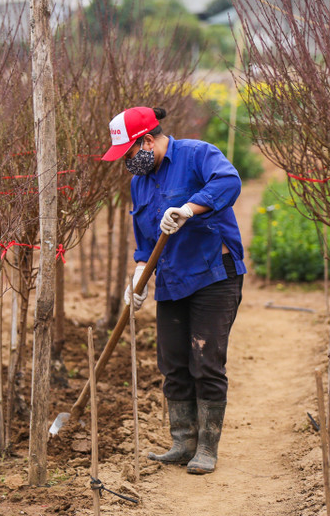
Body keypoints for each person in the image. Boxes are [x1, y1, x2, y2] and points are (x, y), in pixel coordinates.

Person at [100, 105, 245, 475]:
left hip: (214, 274)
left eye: (129, 154)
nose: (127, 163)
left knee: (205, 360)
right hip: (171, 279)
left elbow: (229, 182)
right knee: (173, 362)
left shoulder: (197, 154)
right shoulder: (140, 181)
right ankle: (183, 442)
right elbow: (144, 240)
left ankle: (207, 448)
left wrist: (190, 209)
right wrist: (137, 274)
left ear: (147, 140)